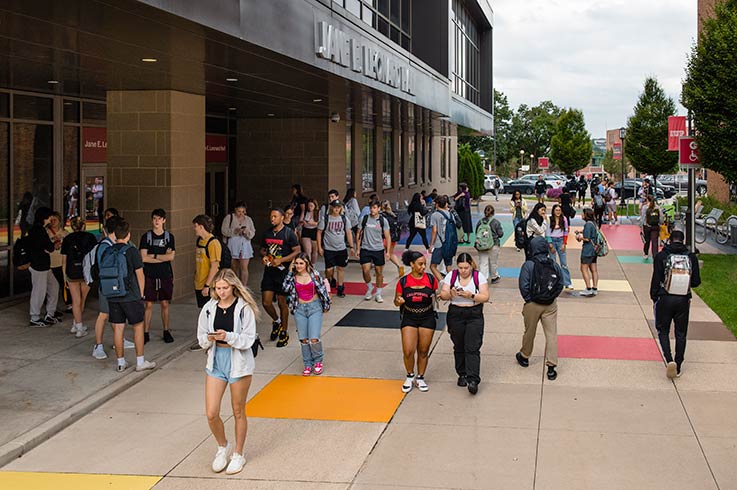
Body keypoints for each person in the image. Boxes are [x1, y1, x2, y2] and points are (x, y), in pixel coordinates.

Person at [197, 268, 258, 475]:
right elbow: (201, 337)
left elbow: (248, 339)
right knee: (211, 412)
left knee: (238, 410)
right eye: (218, 288)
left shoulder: (244, 309)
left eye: (224, 288)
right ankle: (223, 446)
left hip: (239, 362)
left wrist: (227, 336)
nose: (221, 292)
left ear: (233, 286)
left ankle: (238, 454)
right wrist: (211, 338)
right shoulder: (208, 308)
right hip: (216, 361)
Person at [103, 219, 156, 373]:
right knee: (138, 327)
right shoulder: (131, 251)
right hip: (130, 295)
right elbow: (140, 274)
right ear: (128, 235)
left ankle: (120, 362)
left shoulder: (108, 250)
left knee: (118, 328)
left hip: (113, 295)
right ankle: (140, 361)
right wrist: (141, 293)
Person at [649, 230, 701, 379]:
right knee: (681, 333)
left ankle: (669, 359)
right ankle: (678, 364)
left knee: (663, 330)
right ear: (683, 240)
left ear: (670, 240)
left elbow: (656, 278)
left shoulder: (661, 256)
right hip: (683, 299)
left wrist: (654, 296)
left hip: (665, 298)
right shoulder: (690, 257)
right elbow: (696, 282)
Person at [439, 253, 490, 394]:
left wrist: (472, 295)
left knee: (472, 346)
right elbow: (442, 294)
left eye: (466, 267)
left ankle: (473, 379)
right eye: (460, 268)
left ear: (471, 265)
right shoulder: (451, 276)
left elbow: (485, 296)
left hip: (474, 314)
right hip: (456, 314)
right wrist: (451, 293)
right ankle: (462, 373)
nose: (463, 271)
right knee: (459, 345)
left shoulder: (478, 276)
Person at [516, 236, 564, 380]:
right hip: (550, 304)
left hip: (533, 304)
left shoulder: (528, 265)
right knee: (551, 335)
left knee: (529, 332)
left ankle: (524, 356)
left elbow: (523, 285)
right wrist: (552, 297)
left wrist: (529, 300)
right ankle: (551, 366)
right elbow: (560, 283)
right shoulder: (553, 264)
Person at [394, 250, 438, 393]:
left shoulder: (431, 280)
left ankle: (420, 377)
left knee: (423, 350)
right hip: (409, 317)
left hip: (427, 317)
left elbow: (439, 295)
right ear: (411, 265)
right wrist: (398, 301)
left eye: (424, 264)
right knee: (408, 350)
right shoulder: (403, 281)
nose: (423, 267)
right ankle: (410, 375)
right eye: (420, 264)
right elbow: (396, 300)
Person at [282, 253, 331, 376]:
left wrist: (326, 306)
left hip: (314, 307)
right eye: (296, 263)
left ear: (307, 264)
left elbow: (323, 291)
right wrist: (289, 271)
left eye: (301, 263)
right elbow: (285, 288)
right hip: (299, 309)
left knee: (314, 338)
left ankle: (318, 361)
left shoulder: (314, 275)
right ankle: (307, 364)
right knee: (303, 339)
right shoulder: (292, 276)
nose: (298, 266)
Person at [261, 208, 301, 347]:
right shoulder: (267, 232)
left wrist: (282, 260)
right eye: (271, 216)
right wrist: (265, 256)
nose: (272, 219)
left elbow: (297, 250)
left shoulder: (289, 233)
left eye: (275, 216)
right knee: (266, 302)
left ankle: (284, 332)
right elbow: (263, 248)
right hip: (269, 272)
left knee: (282, 302)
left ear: (282, 218)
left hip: (283, 272)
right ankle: (276, 321)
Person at [140, 208, 176, 344]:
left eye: (159, 219)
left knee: (165, 303)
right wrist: (162, 257)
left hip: (165, 274)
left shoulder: (169, 237)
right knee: (148, 304)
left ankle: (166, 330)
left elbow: (171, 257)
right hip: (149, 274)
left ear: (164, 220)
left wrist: (153, 255)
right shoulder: (146, 237)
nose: (157, 221)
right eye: (154, 219)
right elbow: (143, 258)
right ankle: (146, 332)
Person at [61, 216, 97, 337]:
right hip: (85, 272)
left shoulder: (67, 239)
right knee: (82, 300)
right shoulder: (90, 237)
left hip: (71, 272)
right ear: (84, 226)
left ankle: (77, 325)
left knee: (75, 300)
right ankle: (77, 325)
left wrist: (64, 276)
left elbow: (64, 261)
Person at [27, 207, 59, 327]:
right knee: (39, 291)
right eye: (50, 216)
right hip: (39, 265)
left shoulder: (36, 230)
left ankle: (50, 313)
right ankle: (35, 317)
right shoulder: (39, 231)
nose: (51, 218)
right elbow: (49, 247)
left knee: (53, 286)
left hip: (43, 265)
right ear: (45, 217)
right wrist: (54, 245)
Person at [317, 200, 354, 298]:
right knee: (329, 269)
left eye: (338, 207)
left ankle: (340, 287)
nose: (337, 209)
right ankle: (328, 280)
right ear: (331, 207)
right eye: (335, 207)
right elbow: (319, 232)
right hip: (329, 248)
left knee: (340, 268)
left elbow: (348, 232)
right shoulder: (325, 218)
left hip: (341, 248)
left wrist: (351, 246)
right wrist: (319, 247)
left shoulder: (344, 219)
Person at [357, 200, 391, 303]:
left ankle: (378, 293)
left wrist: (388, 251)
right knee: (365, 270)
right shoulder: (364, 219)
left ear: (379, 209)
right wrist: (357, 248)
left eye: (375, 208)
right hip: (365, 248)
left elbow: (387, 236)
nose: (372, 210)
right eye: (371, 208)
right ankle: (369, 287)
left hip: (378, 249)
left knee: (379, 272)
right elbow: (359, 234)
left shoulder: (383, 220)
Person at [221, 201, 255, 287]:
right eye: (239, 211)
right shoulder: (229, 218)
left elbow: (253, 232)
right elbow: (224, 231)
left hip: (245, 244)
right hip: (233, 244)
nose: (241, 214)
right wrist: (235, 231)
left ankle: (243, 287)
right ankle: (235, 285)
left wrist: (246, 232)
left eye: (243, 211)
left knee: (244, 267)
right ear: (235, 210)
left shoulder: (248, 219)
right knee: (234, 267)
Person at [194, 215, 222, 309]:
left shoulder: (213, 243)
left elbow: (214, 266)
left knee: (210, 311)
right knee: (203, 311)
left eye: (195, 226)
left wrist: (207, 285)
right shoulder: (200, 241)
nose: (195, 229)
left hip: (209, 285)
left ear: (201, 227)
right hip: (199, 282)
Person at [48, 211, 71, 315]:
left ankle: (69, 304)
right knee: (50, 288)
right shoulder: (46, 233)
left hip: (61, 263)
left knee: (64, 284)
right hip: (49, 263)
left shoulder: (65, 233)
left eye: (55, 220)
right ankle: (52, 308)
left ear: (59, 221)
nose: (53, 222)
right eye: (51, 220)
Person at [475, 205, 503, 285]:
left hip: (482, 245)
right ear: (493, 213)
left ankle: (483, 279)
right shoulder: (496, 222)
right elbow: (500, 234)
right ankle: (494, 277)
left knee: (483, 263)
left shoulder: (480, 222)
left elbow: (477, 232)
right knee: (493, 262)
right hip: (493, 244)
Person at [547, 205, 573, 290]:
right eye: (556, 210)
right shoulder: (550, 219)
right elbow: (547, 232)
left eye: (559, 210)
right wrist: (550, 243)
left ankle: (567, 282)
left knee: (564, 263)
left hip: (561, 240)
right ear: (553, 211)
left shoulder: (564, 219)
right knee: (552, 262)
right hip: (552, 241)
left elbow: (565, 232)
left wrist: (564, 244)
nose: (558, 212)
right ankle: (553, 282)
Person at [429, 195, 455, 281]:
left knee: (433, 266)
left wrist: (431, 245)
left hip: (439, 243)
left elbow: (434, 230)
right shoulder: (450, 214)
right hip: (449, 243)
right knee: (448, 265)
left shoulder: (435, 215)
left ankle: (442, 282)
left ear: (437, 204)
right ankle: (453, 282)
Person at [576, 208, 599, 297]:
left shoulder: (587, 225)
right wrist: (581, 231)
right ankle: (594, 288)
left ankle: (588, 288)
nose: (581, 215)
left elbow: (587, 238)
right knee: (594, 269)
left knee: (583, 268)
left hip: (587, 250)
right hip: (594, 250)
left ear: (586, 215)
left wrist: (579, 237)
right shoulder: (593, 223)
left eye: (583, 213)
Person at [381, 200, 403, 276]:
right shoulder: (393, 215)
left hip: (385, 238)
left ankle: (380, 271)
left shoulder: (382, 216)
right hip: (393, 238)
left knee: (382, 254)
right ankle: (399, 266)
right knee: (390, 253)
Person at [298, 198, 319, 265]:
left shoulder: (318, 213)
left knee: (314, 251)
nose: (310, 207)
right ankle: (308, 266)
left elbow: (320, 223)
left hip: (314, 231)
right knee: (308, 251)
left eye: (311, 206)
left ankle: (313, 265)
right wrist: (303, 210)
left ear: (315, 206)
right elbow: (300, 221)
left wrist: (312, 223)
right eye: (308, 206)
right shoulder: (305, 212)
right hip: (306, 231)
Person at [642, 195, 662, 260]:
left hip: (647, 226)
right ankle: (655, 255)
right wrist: (660, 223)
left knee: (647, 240)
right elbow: (661, 217)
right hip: (655, 226)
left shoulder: (645, 207)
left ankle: (646, 253)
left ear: (647, 200)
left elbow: (643, 217)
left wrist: (644, 224)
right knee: (655, 241)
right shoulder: (657, 207)